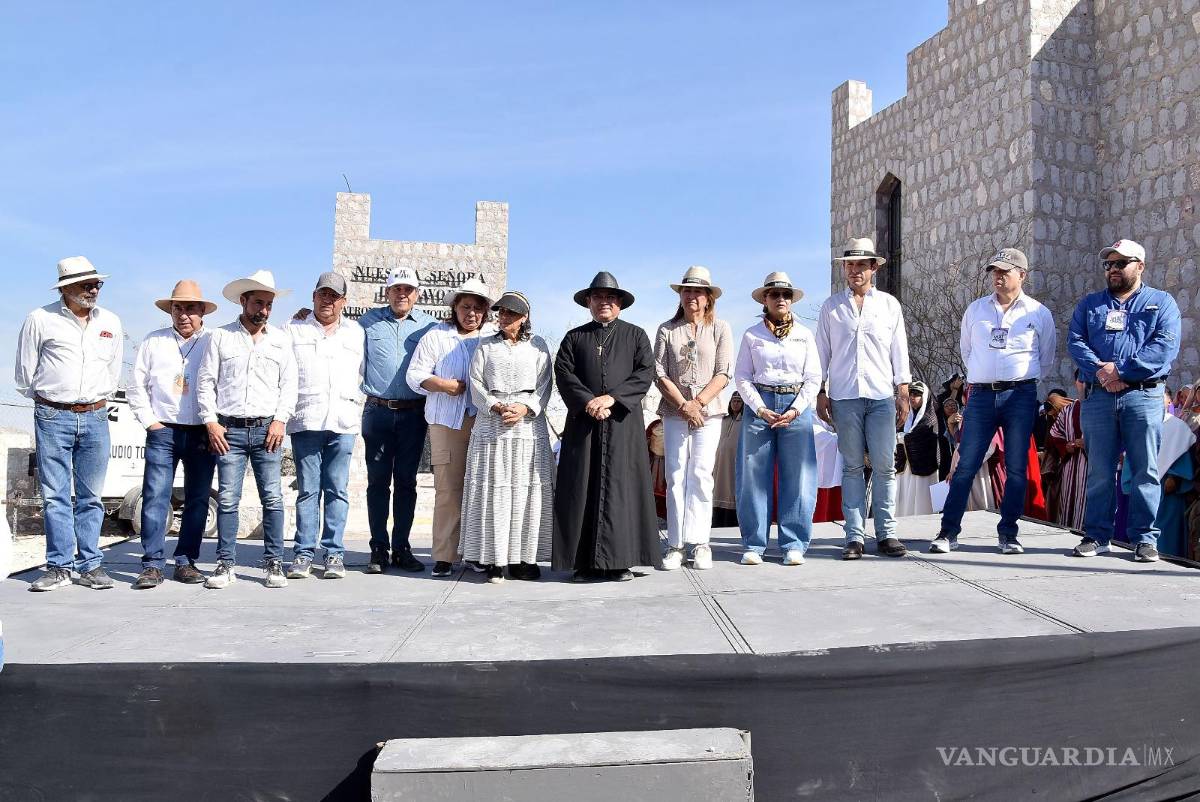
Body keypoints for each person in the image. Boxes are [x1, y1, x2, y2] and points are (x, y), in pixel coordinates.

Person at [928, 248, 1056, 555]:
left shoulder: (1038, 313)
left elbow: (1046, 357)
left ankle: (1008, 534)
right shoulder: (976, 310)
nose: (997, 277)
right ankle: (948, 532)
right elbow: (967, 351)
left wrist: (1018, 378)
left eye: (1004, 271)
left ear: (1022, 275)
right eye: (994, 272)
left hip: (1020, 395)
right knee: (966, 464)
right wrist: (983, 376)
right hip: (982, 395)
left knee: (1015, 468)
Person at [1068, 239, 1181, 561]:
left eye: (1121, 263)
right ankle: (1097, 535)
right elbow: (1076, 342)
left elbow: (1164, 347)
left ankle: (1145, 539)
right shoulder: (1090, 305)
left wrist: (1121, 370)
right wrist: (1101, 372)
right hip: (1099, 398)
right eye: (1108, 265)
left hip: (1143, 396)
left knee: (1145, 469)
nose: (1113, 270)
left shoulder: (1162, 303)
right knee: (1100, 471)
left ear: (1140, 266)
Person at [15, 257, 124, 591]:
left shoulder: (111, 322)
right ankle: (59, 566)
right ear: (65, 288)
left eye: (97, 284)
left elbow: (113, 370)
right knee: (56, 496)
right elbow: (24, 374)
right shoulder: (40, 319)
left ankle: (90, 565)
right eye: (86, 284)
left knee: (92, 497)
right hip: (52, 416)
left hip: (95, 416)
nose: (93, 289)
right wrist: (53, 400)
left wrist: (93, 401)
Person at [552, 272, 661, 582]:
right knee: (581, 488)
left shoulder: (636, 335)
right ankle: (582, 564)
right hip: (584, 424)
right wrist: (589, 401)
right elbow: (564, 373)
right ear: (589, 302)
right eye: (598, 297)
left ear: (620, 304)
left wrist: (611, 399)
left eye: (611, 298)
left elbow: (644, 372)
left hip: (621, 424)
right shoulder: (575, 337)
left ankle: (620, 562)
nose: (605, 302)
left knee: (621, 489)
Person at [197, 270, 297, 589]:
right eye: (258, 303)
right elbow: (205, 382)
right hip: (230, 430)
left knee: (273, 498)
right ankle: (225, 564)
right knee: (227, 498)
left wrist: (281, 419)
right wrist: (210, 421)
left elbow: (289, 385)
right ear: (243, 301)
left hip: (268, 428)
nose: (264, 310)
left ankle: (274, 563)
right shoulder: (220, 337)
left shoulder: (281, 340)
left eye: (268, 304)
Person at [815, 236, 912, 559]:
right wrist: (820, 390)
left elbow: (899, 348)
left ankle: (886, 533)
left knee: (885, 466)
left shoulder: (888, 305)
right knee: (852, 467)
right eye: (850, 264)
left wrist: (903, 389)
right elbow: (821, 353)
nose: (855, 270)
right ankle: (854, 536)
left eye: (861, 264)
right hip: (844, 396)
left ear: (873, 268)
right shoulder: (832, 307)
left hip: (881, 394)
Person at [126, 280, 218, 589]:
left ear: (202, 311)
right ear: (171, 311)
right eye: (178, 308)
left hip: (200, 432)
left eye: (191, 308)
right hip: (163, 429)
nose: (184, 314)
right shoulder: (154, 341)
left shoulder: (213, 341)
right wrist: (150, 422)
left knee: (198, 498)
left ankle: (185, 561)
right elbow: (136, 385)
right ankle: (152, 563)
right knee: (155, 495)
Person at [460, 292, 555, 583]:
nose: (504, 318)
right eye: (501, 313)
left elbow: (545, 383)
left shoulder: (538, 346)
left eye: (511, 314)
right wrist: (496, 406)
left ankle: (525, 559)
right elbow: (475, 383)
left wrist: (526, 407)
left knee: (526, 492)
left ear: (524, 316)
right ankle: (494, 559)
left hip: (528, 426)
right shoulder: (485, 346)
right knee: (494, 491)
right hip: (493, 424)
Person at [406, 278, 495, 577]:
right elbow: (415, 374)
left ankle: (475, 552)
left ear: (486, 312)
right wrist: (444, 385)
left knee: (482, 488)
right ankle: (444, 554)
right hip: (447, 421)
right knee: (448, 488)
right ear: (455, 307)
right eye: (466, 306)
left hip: (486, 422)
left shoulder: (493, 337)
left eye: (478, 308)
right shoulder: (436, 337)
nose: (471, 313)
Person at [734, 272, 822, 565]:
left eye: (785, 295)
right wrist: (759, 407)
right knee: (753, 474)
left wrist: (796, 408)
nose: (781, 299)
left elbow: (814, 377)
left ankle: (793, 543)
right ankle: (754, 543)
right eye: (774, 295)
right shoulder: (751, 334)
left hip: (796, 403)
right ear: (765, 300)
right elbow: (743, 376)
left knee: (798, 475)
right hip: (760, 404)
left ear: (791, 300)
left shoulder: (805, 334)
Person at [284, 272, 364, 580]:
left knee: (337, 490)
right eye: (323, 294)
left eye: (334, 296)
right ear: (313, 296)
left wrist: (356, 402)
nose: (327, 300)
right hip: (306, 419)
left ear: (343, 301)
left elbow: (364, 372)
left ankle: (333, 554)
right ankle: (303, 553)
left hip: (342, 421)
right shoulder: (293, 329)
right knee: (307, 491)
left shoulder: (356, 333)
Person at [359, 267, 437, 574]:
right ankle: (378, 547)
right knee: (377, 482)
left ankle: (402, 547)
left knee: (407, 482)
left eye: (408, 289)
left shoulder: (430, 327)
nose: (401, 294)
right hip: (377, 412)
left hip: (413, 413)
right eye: (396, 289)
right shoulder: (366, 323)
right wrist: (302, 316)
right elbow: (331, 326)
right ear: (387, 292)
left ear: (417, 294)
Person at [654, 266, 733, 571]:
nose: (692, 296)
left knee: (701, 475)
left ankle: (700, 542)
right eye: (687, 291)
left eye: (698, 291)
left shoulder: (721, 328)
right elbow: (658, 371)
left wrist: (698, 403)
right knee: (676, 475)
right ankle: (675, 543)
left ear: (708, 297)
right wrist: (684, 405)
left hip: (709, 412)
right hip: (675, 411)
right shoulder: (667, 329)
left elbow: (724, 372)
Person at [894, 381, 949, 517]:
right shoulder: (904, 418)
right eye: (911, 394)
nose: (912, 397)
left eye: (917, 394)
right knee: (903, 504)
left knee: (921, 505)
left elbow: (918, 439)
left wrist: (900, 438)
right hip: (904, 470)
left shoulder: (930, 419)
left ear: (925, 397)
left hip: (924, 471)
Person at [1045, 394, 1087, 530]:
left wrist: (1091, 443)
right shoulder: (1068, 410)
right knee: (1068, 502)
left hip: (1093, 466)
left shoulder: (1104, 407)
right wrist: (1067, 445)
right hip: (1070, 466)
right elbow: (1055, 434)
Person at [711, 393, 743, 528]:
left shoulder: (745, 421)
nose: (735, 404)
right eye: (733, 401)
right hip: (720, 464)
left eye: (739, 401)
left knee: (732, 492)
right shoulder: (723, 420)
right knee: (718, 491)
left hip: (734, 463)